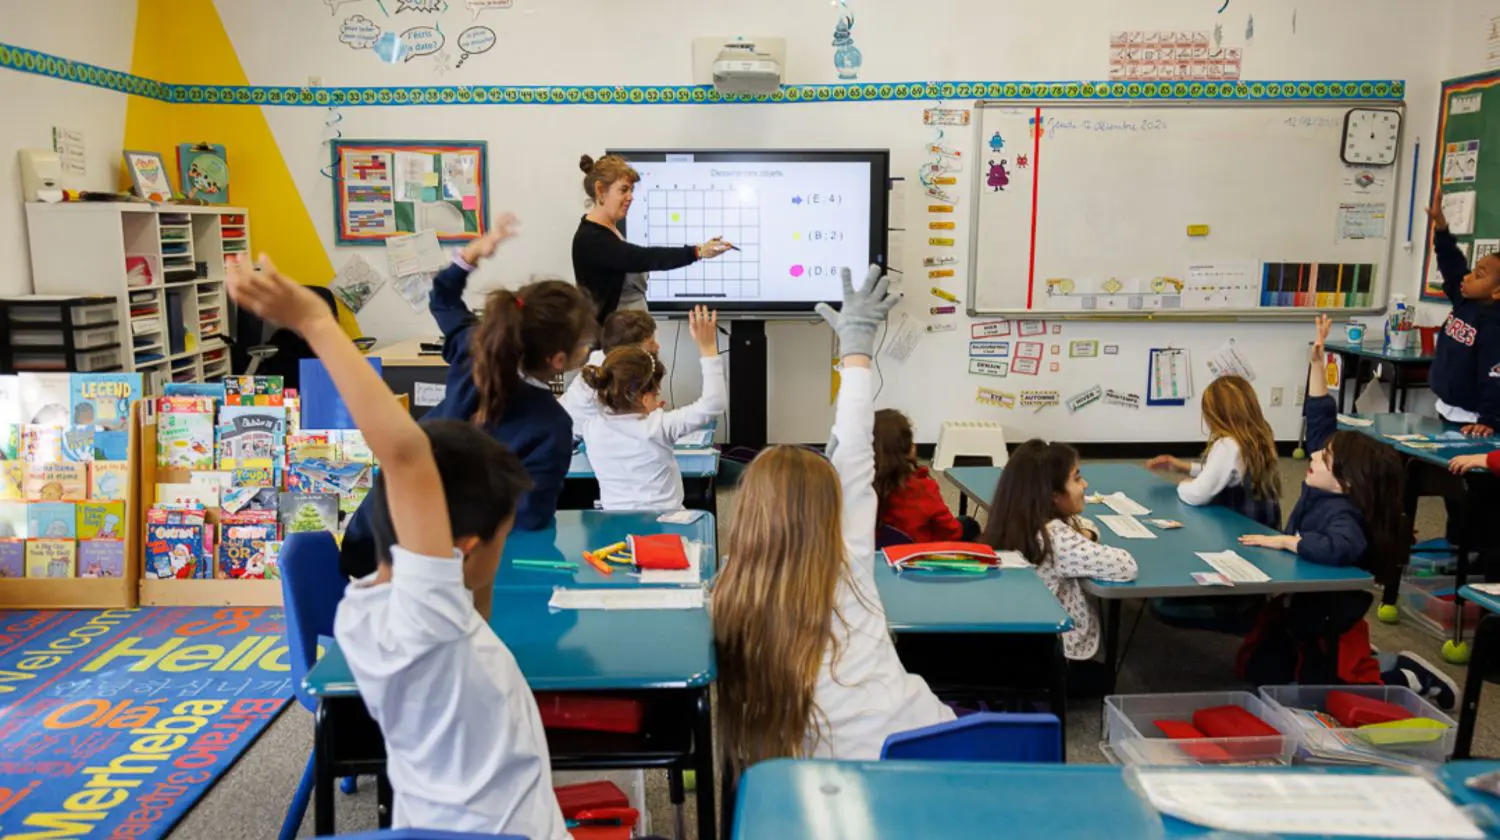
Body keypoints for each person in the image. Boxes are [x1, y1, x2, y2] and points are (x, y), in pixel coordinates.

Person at [226, 255, 567, 836]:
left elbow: (416, 478)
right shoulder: (429, 623)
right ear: (457, 550)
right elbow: (407, 456)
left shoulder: (367, 610)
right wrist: (314, 320)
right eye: (501, 537)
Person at [715, 266, 954, 770]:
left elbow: (854, 455)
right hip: (922, 755)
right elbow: (855, 453)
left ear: (749, 514)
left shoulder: (729, 596)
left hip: (810, 789)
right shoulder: (851, 562)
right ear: (832, 508)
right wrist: (856, 351)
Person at [340, 214, 596, 579]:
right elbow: (528, 523)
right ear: (557, 361)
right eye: (584, 344)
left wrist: (473, 253)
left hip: (371, 541)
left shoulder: (473, 348)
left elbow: (442, 297)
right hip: (429, 571)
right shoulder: (551, 425)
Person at [1237, 315, 1457, 708]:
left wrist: (1288, 541)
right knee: (1263, 671)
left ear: (1346, 483)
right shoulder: (1329, 478)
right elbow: (1322, 418)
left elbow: (1340, 547)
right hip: (1304, 602)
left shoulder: (1344, 513)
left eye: (1324, 458)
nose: (1314, 456)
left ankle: (1404, 674)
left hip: (1330, 613)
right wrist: (1317, 363)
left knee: (1331, 690)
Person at [982, 440, 1138, 696]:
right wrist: (1084, 535)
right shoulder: (1057, 539)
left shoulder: (1014, 519)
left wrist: (1085, 533)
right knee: (1106, 679)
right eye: (1077, 478)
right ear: (1053, 496)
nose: (1085, 485)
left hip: (1016, 647)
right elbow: (1126, 566)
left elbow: (1085, 525)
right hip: (1055, 658)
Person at [576, 306, 726, 511]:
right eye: (656, 393)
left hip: (613, 523)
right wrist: (708, 348)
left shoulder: (591, 427)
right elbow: (713, 404)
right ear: (645, 399)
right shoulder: (658, 427)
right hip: (666, 523)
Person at [571, 154, 733, 322]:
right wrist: (697, 252)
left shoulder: (609, 230)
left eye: (631, 190)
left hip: (630, 333)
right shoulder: (591, 239)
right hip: (614, 341)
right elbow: (642, 258)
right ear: (600, 190)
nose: (631, 197)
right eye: (624, 189)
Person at [1147, 375, 1282, 529]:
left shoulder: (1228, 445)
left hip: (1239, 531)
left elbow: (1197, 495)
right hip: (1265, 529)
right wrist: (1183, 467)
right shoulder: (1258, 438)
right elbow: (1228, 472)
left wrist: (1183, 485)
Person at [1427, 200, 1500, 437]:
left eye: (1478, 275)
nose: (1467, 277)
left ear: (1497, 292)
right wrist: (1441, 226)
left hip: (1475, 419)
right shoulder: (1464, 300)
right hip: (1447, 407)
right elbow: (1451, 263)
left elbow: (1494, 374)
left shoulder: (1493, 324)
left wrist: (1488, 418)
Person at [873, 408, 979, 542]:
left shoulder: (860, 486)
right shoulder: (922, 488)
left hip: (877, 553)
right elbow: (951, 531)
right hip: (920, 555)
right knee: (969, 524)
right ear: (909, 449)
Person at [560, 308, 659, 429]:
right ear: (629, 351)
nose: (657, 347)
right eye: (651, 342)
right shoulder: (620, 375)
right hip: (577, 436)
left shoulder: (600, 356)